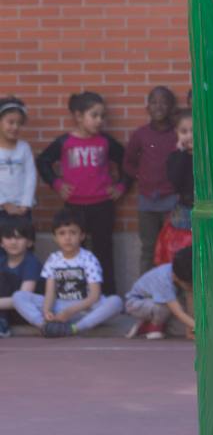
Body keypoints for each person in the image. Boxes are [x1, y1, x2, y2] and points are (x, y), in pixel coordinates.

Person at [36, 93, 126, 294]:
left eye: (102, 116)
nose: (99, 121)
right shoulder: (64, 142)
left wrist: (120, 186)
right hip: (75, 207)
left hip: (102, 205)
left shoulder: (105, 142)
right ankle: (78, 295)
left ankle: (108, 296)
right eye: (94, 116)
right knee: (75, 252)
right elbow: (42, 161)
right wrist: (57, 183)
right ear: (78, 116)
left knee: (103, 251)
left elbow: (127, 161)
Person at [13, 209, 123, 337]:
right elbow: (50, 293)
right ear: (55, 237)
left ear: (82, 236)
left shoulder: (89, 258)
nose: (67, 238)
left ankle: (75, 328)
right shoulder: (53, 259)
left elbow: (94, 296)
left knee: (116, 302)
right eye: (62, 233)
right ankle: (45, 326)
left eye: (73, 233)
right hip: (60, 307)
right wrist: (47, 311)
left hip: (85, 309)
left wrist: (69, 312)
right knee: (19, 296)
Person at [125, 86, 180, 275]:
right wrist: (142, 177)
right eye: (154, 102)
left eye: (164, 102)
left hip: (172, 201)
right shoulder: (140, 134)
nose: (159, 106)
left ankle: (175, 291)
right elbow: (129, 162)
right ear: (147, 107)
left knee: (172, 247)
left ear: (172, 107)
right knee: (148, 248)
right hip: (147, 201)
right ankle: (146, 292)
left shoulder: (177, 134)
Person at [124, 246, 194, 340]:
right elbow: (178, 312)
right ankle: (152, 326)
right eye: (188, 284)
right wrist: (201, 329)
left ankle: (149, 324)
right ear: (176, 277)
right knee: (164, 307)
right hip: (135, 303)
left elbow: (190, 302)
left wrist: (190, 331)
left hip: (156, 303)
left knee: (179, 329)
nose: (190, 287)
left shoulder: (180, 272)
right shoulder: (164, 280)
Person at [156, 109, 194, 265]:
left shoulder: (208, 156)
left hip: (204, 207)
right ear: (177, 133)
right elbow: (175, 182)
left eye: (193, 131)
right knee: (183, 253)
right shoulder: (175, 157)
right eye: (184, 131)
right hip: (185, 211)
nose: (189, 135)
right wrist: (182, 153)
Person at [0, 217, 41, 337]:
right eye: (8, 237)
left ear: (29, 242)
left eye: (18, 237)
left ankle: (2, 323)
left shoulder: (31, 263)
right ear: (1, 242)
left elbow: (23, 299)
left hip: (27, 312)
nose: (13, 242)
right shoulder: (2, 262)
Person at [0, 98, 37, 220]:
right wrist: (4, 203)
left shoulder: (24, 148)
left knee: (22, 238)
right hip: (1, 207)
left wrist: (26, 203)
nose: (15, 127)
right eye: (10, 122)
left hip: (22, 208)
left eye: (19, 123)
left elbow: (30, 176)